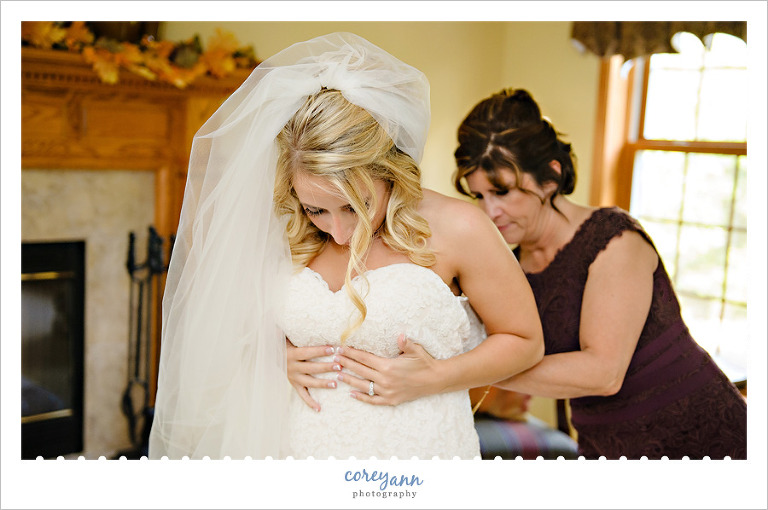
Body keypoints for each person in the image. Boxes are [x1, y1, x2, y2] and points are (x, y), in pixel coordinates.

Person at [148, 34, 544, 460]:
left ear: (390, 171)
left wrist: (435, 376)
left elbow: (525, 340)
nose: (338, 233)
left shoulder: (460, 227)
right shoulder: (288, 227)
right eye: (317, 209)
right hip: (301, 450)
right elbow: (232, 331)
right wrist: (276, 358)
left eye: (355, 207)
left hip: (417, 455)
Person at [325, 88, 747, 460]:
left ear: (552, 176)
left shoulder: (615, 242)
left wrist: (453, 370)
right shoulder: (503, 262)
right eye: (479, 195)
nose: (491, 211)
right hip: (607, 442)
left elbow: (603, 373)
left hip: (699, 432)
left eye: (504, 191)